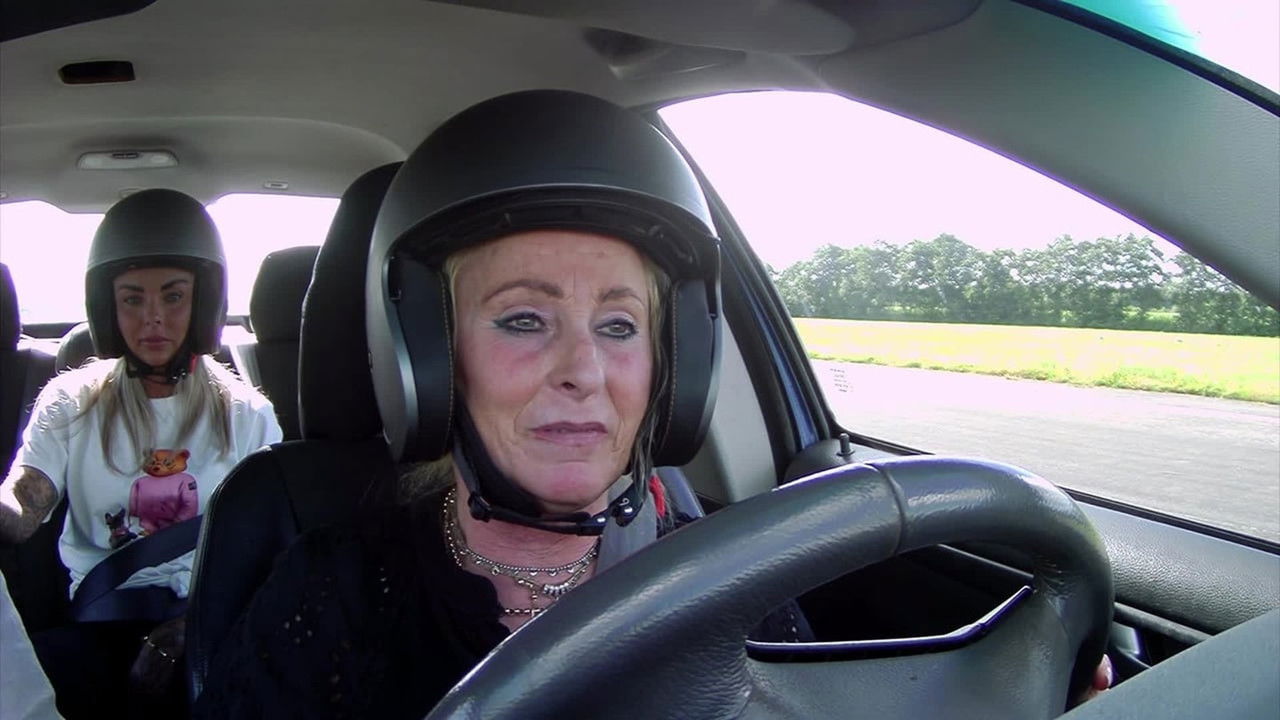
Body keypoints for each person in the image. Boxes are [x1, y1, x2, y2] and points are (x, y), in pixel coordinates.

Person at [194, 90, 1111, 718]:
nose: (585, 370)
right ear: (429, 362)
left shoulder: (727, 575)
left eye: (620, 325)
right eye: (522, 319)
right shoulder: (332, 594)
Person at [0, 188, 283, 717]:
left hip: (208, 620)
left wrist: (187, 630)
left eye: (173, 297)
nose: (153, 318)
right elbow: (25, 500)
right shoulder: (71, 402)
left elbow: (265, 549)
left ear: (203, 302)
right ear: (108, 307)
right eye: (132, 299)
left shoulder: (247, 414)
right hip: (99, 616)